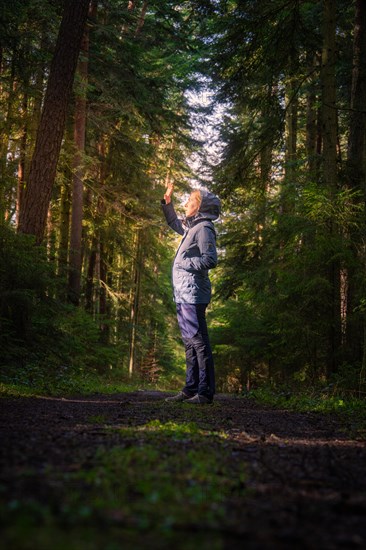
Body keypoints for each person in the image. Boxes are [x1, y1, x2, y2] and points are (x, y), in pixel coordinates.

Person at [161, 183, 220, 404]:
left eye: (190, 201)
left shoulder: (204, 228)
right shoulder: (192, 227)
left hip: (194, 295)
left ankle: (204, 393)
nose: (186, 204)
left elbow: (210, 260)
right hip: (184, 293)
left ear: (200, 207)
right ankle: (190, 389)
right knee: (190, 342)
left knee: (198, 342)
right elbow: (174, 223)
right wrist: (168, 204)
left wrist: (185, 262)